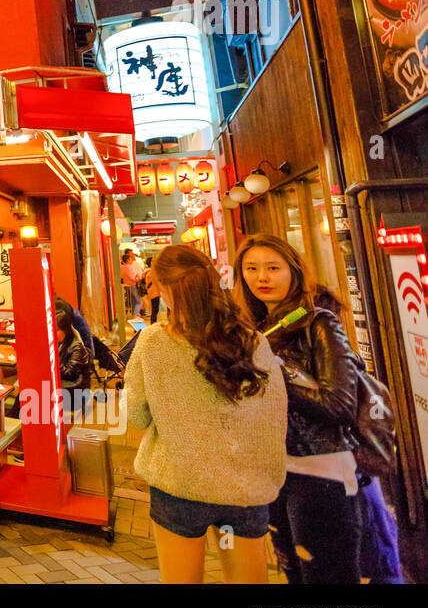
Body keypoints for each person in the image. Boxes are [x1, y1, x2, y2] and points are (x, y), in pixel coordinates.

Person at [126, 244, 286, 583]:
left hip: (181, 491)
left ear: (168, 290)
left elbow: (137, 417)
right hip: (241, 495)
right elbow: (274, 416)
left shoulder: (153, 342)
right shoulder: (253, 341)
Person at [234, 233, 362, 584]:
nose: (262, 277)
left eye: (273, 268)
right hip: (276, 470)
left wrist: (271, 379)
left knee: (326, 576)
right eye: (252, 268)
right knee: (294, 571)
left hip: (320, 471)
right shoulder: (255, 328)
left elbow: (340, 405)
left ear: (293, 270)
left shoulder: (318, 322)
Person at [55, 300, 94, 394]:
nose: (52, 333)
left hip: (76, 389)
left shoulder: (76, 346)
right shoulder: (62, 341)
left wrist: (53, 361)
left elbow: (71, 374)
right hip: (67, 384)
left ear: (64, 330)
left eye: (56, 330)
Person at [121, 249, 144, 317]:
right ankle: (135, 314)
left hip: (128, 285)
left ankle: (134, 313)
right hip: (132, 285)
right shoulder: (128, 267)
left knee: (133, 301)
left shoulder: (123, 267)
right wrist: (137, 278)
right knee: (139, 301)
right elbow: (132, 277)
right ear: (128, 260)